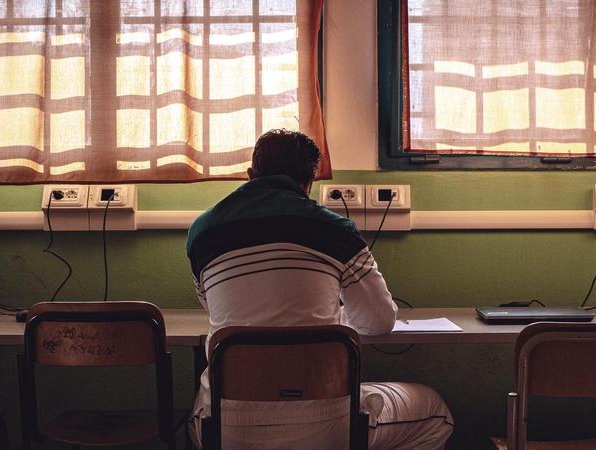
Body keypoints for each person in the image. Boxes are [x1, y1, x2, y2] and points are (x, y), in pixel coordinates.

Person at [186, 129, 453, 449]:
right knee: (436, 414)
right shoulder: (333, 230)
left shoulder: (202, 232)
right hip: (324, 426)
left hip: (224, 427)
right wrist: (330, 315)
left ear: (250, 175)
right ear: (308, 183)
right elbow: (379, 321)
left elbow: (214, 308)